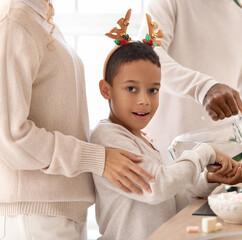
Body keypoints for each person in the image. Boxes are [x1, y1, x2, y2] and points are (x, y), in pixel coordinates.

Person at [0, 1, 154, 239]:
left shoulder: (41, 18)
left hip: (63, 211)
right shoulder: (14, 22)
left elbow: (59, 115)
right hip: (35, 216)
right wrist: (97, 158)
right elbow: (11, 138)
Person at [91, 13, 242, 239]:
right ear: (106, 89)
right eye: (131, 88)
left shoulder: (142, 140)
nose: (144, 100)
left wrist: (207, 180)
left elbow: (171, 200)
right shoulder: (108, 137)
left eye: (153, 90)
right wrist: (204, 153)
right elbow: (156, 188)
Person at [137, 0, 242, 167]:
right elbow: (146, 56)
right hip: (158, 162)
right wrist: (203, 87)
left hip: (212, 172)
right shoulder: (171, 2)